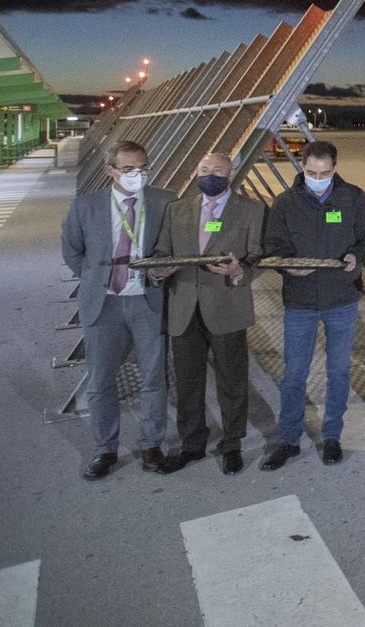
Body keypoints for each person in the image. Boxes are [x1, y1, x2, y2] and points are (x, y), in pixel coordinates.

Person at [61, 140, 180, 479]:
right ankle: (105, 450)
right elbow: (71, 251)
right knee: (100, 382)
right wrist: (94, 278)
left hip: (147, 300)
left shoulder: (164, 200)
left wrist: (161, 267)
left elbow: (169, 245)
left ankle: (151, 445)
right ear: (110, 170)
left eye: (143, 169)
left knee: (154, 379)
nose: (137, 175)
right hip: (104, 305)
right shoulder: (86, 207)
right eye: (129, 170)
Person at [259, 140, 365, 470]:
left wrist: (358, 254)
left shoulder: (352, 197)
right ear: (302, 167)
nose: (318, 177)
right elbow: (273, 246)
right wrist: (288, 265)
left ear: (335, 168)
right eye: (311, 172)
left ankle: (332, 437)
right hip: (300, 301)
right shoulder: (285, 203)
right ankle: (288, 439)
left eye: (324, 173)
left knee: (339, 371)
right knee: (294, 373)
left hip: (341, 298)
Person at [151, 151, 266, 476]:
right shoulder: (178, 210)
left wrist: (237, 270)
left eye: (217, 170)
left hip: (227, 305)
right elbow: (162, 252)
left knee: (232, 380)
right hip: (184, 307)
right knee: (187, 383)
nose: (209, 174)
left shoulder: (251, 210)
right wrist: (161, 270)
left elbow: (257, 255)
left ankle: (232, 444)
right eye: (204, 169)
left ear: (230, 174)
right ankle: (192, 445)